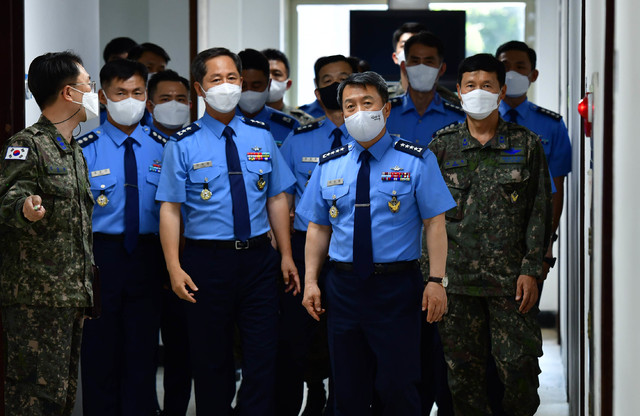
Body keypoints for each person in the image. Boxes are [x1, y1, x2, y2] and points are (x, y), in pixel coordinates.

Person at [298, 71, 454, 415]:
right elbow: (318, 228)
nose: (358, 112)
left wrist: (436, 281)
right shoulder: (329, 165)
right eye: (349, 106)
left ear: (385, 110)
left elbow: (435, 223)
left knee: (398, 385)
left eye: (367, 103)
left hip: (397, 287)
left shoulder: (415, 159)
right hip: (343, 286)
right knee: (348, 386)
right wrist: (311, 280)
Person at [156, 47, 299, 415]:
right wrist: (174, 267)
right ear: (200, 89)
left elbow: (277, 199)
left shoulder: (261, 136)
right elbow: (171, 209)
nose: (227, 86)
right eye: (216, 79)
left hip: (258, 261)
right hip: (207, 262)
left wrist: (285, 255)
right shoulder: (182, 143)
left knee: (263, 355)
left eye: (232, 78)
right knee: (210, 359)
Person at [429, 53, 552, 416]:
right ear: (459, 92)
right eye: (471, 86)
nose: (478, 92)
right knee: (463, 376)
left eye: (487, 85)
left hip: (511, 283)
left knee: (519, 371)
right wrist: (432, 278)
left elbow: (539, 212)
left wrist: (532, 269)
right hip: (458, 283)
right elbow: (428, 220)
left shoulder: (527, 144)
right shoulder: (442, 146)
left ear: (501, 92)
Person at [0, 51, 96, 415]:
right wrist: (24, 209)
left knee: (61, 396)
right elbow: (7, 198)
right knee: (33, 398)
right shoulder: (27, 145)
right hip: (35, 298)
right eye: (89, 84)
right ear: (69, 93)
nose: (94, 93)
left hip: (69, 296)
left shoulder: (72, 150)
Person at [78, 58, 166, 415]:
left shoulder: (165, 146)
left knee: (142, 351)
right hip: (102, 257)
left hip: (149, 255)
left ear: (147, 98)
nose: (128, 99)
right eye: (120, 92)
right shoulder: (83, 149)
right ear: (102, 96)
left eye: (136, 92)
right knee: (99, 351)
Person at [276, 54, 356, 416]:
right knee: (298, 333)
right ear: (318, 91)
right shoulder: (299, 139)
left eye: (345, 78)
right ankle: (304, 398)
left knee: (346, 335)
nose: (336, 85)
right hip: (303, 246)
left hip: (350, 253)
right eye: (328, 79)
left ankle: (341, 403)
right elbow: (283, 201)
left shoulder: (370, 139)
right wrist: (287, 256)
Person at [495, 40, 572, 284]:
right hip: (481, 240)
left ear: (533, 74)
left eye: (520, 66)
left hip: (531, 239)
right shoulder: (479, 121)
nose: (512, 73)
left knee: (524, 313)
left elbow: (555, 190)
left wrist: (547, 243)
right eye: (505, 67)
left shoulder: (551, 125)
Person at [145, 69, 193, 416]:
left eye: (181, 99)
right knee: (141, 347)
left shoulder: (199, 143)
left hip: (191, 258)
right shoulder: (141, 144)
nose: (174, 106)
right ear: (150, 105)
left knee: (183, 348)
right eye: (165, 99)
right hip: (142, 259)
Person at [387, 31, 465, 146]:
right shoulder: (384, 115)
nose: (421, 67)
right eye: (415, 61)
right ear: (404, 67)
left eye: (429, 61)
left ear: (442, 69)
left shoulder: (460, 119)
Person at [235, 49, 299, 147]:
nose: (249, 91)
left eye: (256, 86)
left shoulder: (288, 126)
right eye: (243, 86)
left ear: (268, 85)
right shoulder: (221, 121)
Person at [262, 48, 316, 126]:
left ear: (288, 84)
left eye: (277, 74)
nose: (270, 78)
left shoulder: (304, 121)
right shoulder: (241, 118)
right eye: (265, 73)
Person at [297, 55, 357, 120]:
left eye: (343, 79)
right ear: (316, 84)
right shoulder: (300, 116)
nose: (336, 85)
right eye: (328, 81)